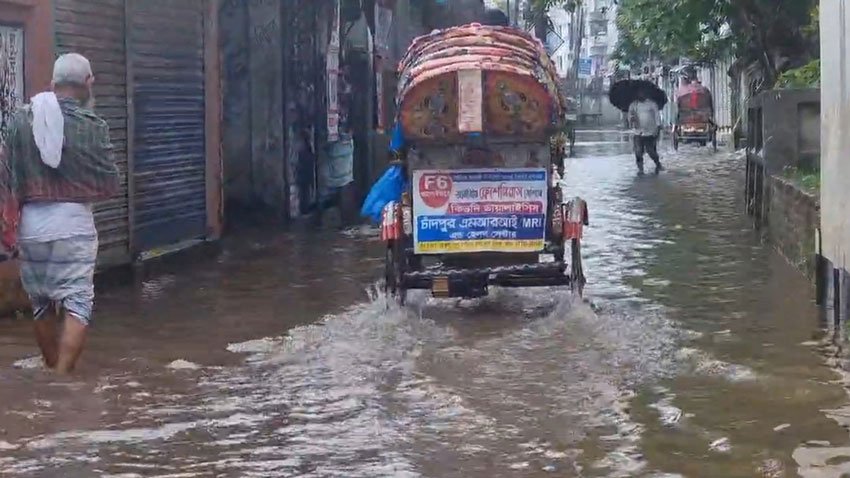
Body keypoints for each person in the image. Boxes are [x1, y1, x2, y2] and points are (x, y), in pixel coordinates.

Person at [0, 53, 119, 374]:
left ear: (52, 84)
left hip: (32, 226)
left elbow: (6, 177)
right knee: (77, 303)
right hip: (74, 225)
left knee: (41, 304)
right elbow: (110, 184)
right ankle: (63, 378)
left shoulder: (19, 121)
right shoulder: (93, 126)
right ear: (88, 84)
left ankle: (51, 369)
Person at [628, 89, 663, 174]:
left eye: (642, 93)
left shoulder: (652, 104)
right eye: (639, 93)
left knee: (651, 151)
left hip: (650, 132)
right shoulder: (633, 105)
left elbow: (657, 117)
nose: (641, 94)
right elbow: (629, 117)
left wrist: (658, 129)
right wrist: (631, 119)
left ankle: (658, 163)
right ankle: (640, 169)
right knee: (638, 151)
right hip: (638, 132)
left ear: (646, 94)